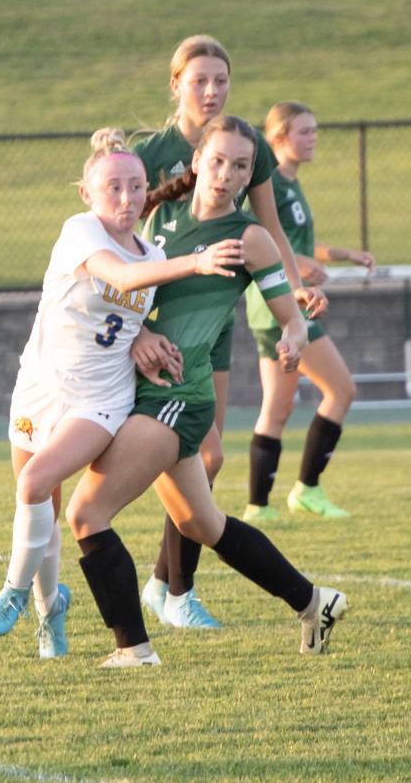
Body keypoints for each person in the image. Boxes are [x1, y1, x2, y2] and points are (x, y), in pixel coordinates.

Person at [65, 115, 347, 667]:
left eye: (240, 166)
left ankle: (134, 649)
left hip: (178, 398)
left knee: (86, 514)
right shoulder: (157, 215)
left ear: (249, 175)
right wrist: (142, 332)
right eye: (217, 160)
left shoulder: (249, 238)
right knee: (203, 524)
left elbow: (288, 317)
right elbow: (122, 290)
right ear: (196, 161)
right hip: (140, 390)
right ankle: (315, 601)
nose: (226, 173)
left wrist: (293, 336)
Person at [0, 128, 245, 658]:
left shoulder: (155, 250)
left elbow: (144, 298)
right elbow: (120, 277)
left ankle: (10, 592)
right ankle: (50, 610)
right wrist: (196, 262)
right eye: (114, 187)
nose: (126, 198)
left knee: (36, 481)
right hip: (38, 387)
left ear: (148, 191)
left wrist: (151, 336)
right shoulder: (80, 232)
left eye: (136, 187)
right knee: (39, 505)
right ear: (88, 194)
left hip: (99, 401)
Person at [133, 34, 327, 630]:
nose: (213, 91)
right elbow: (119, 236)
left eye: (222, 80)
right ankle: (171, 588)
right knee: (203, 453)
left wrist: (292, 290)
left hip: (212, 322)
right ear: (176, 86)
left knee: (206, 456)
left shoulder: (245, 146)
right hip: (156, 325)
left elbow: (266, 227)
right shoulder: (152, 153)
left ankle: (168, 586)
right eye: (200, 80)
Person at [243, 102, 374, 523]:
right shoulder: (270, 186)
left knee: (278, 408)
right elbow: (264, 240)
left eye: (315, 130)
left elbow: (294, 241)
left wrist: (342, 254)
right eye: (304, 131)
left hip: (278, 306)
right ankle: (307, 489)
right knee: (342, 390)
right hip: (282, 305)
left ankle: (258, 507)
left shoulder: (291, 184)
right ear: (278, 138)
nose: (313, 138)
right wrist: (298, 267)